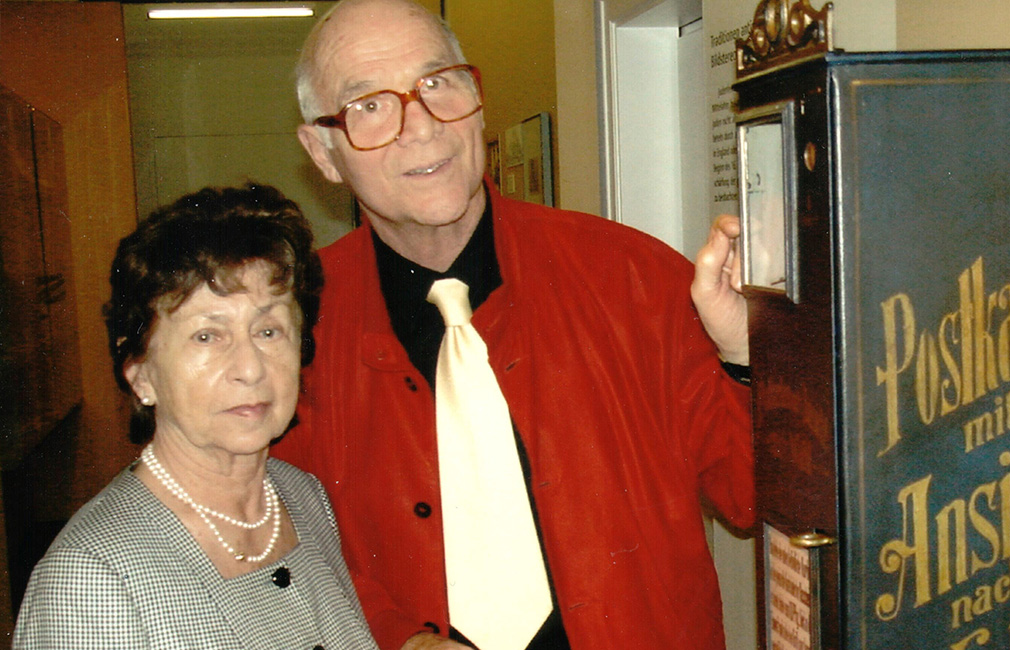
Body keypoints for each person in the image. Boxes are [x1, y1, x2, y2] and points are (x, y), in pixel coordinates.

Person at [278, 1, 756, 648]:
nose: (419, 126)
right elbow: (282, 548)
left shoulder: (635, 280)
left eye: (437, 83)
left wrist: (744, 360)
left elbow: (754, 496)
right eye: (369, 106)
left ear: (475, 98)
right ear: (323, 152)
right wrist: (396, 638)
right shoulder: (293, 334)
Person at [12, 184, 379, 650]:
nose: (250, 368)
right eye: (207, 336)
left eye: (268, 330)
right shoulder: (90, 580)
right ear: (140, 374)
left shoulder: (304, 498)